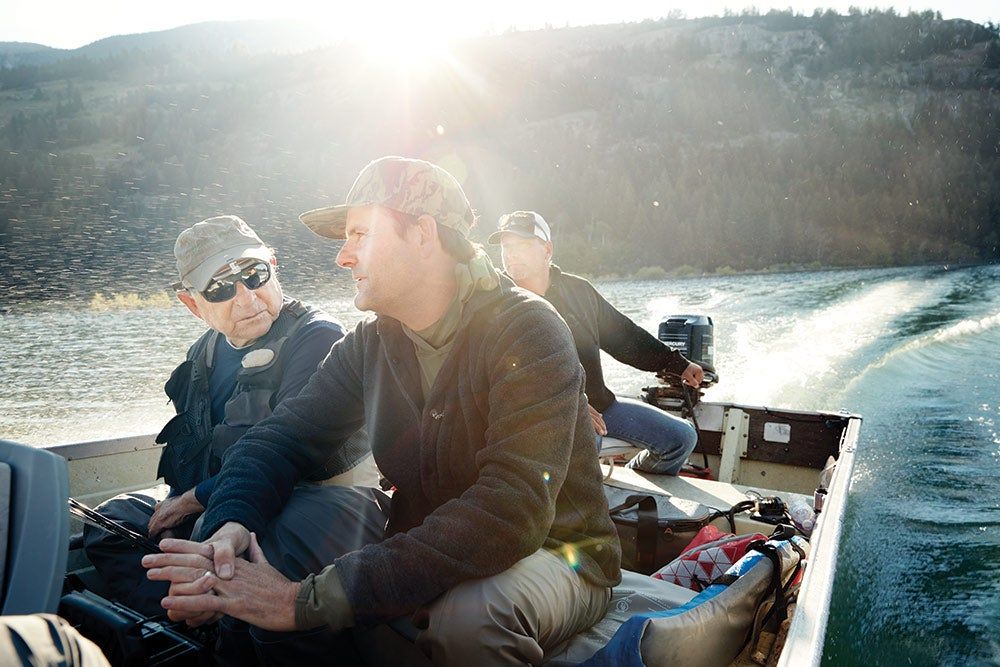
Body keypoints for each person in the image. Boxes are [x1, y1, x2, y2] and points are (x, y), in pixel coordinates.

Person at [141, 157, 622, 666]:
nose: (343, 258)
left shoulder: (527, 329)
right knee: (270, 545)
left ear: (421, 234)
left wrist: (303, 600)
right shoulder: (373, 341)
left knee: (469, 620)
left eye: (360, 235)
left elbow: (513, 509)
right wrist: (228, 526)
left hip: (560, 554)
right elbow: (282, 438)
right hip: (430, 534)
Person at [84, 215, 375, 618]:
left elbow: (294, 456)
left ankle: (211, 615)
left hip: (303, 499)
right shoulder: (201, 354)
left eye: (255, 275)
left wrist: (190, 503)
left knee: (217, 536)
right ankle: (179, 622)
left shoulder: (318, 337)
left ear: (274, 266)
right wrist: (175, 509)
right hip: (212, 499)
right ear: (192, 304)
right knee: (110, 522)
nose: (247, 298)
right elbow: (198, 447)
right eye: (220, 288)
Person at [488, 210, 703, 475]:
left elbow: (625, 336)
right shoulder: (494, 303)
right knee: (585, 449)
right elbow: (500, 375)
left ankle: (632, 492)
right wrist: (571, 405)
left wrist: (676, 364)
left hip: (600, 406)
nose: (511, 254)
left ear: (547, 250)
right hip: (541, 418)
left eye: (522, 245)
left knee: (681, 438)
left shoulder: (580, 293)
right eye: (507, 247)